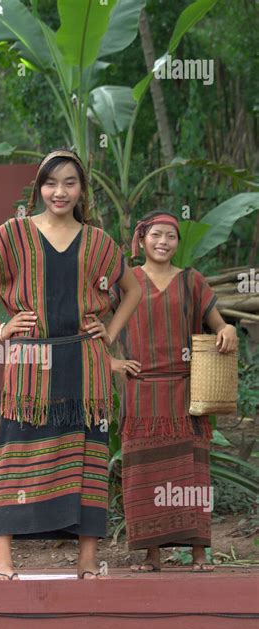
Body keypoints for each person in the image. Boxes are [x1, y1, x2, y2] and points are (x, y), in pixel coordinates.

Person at [0, 149, 141, 581]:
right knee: (15, 453)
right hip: (29, 360)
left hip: (85, 362)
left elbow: (132, 290)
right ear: (39, 188)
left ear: (81, 190)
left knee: (87, 456)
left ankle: (88, 560)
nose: (60, 191)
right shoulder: (14, 233)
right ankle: (2, 560)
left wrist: (109, 333)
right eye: (51, 183)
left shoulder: (99, 241)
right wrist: (0, 326)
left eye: (70, 183)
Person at [110, 210, 238, 572]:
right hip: (141, 392)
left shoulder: (192, 282)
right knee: (144, 472)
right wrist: (111, 362)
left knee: (191, 472)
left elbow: (219, 324)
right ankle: (153, 556)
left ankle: (199, 553)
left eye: (170, 237)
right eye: (156, 236)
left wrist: (226, 330)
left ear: (177, 244)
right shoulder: (126, 282)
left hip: (186, 392)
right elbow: (92, 322)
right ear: (142, 240)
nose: (163, 242)